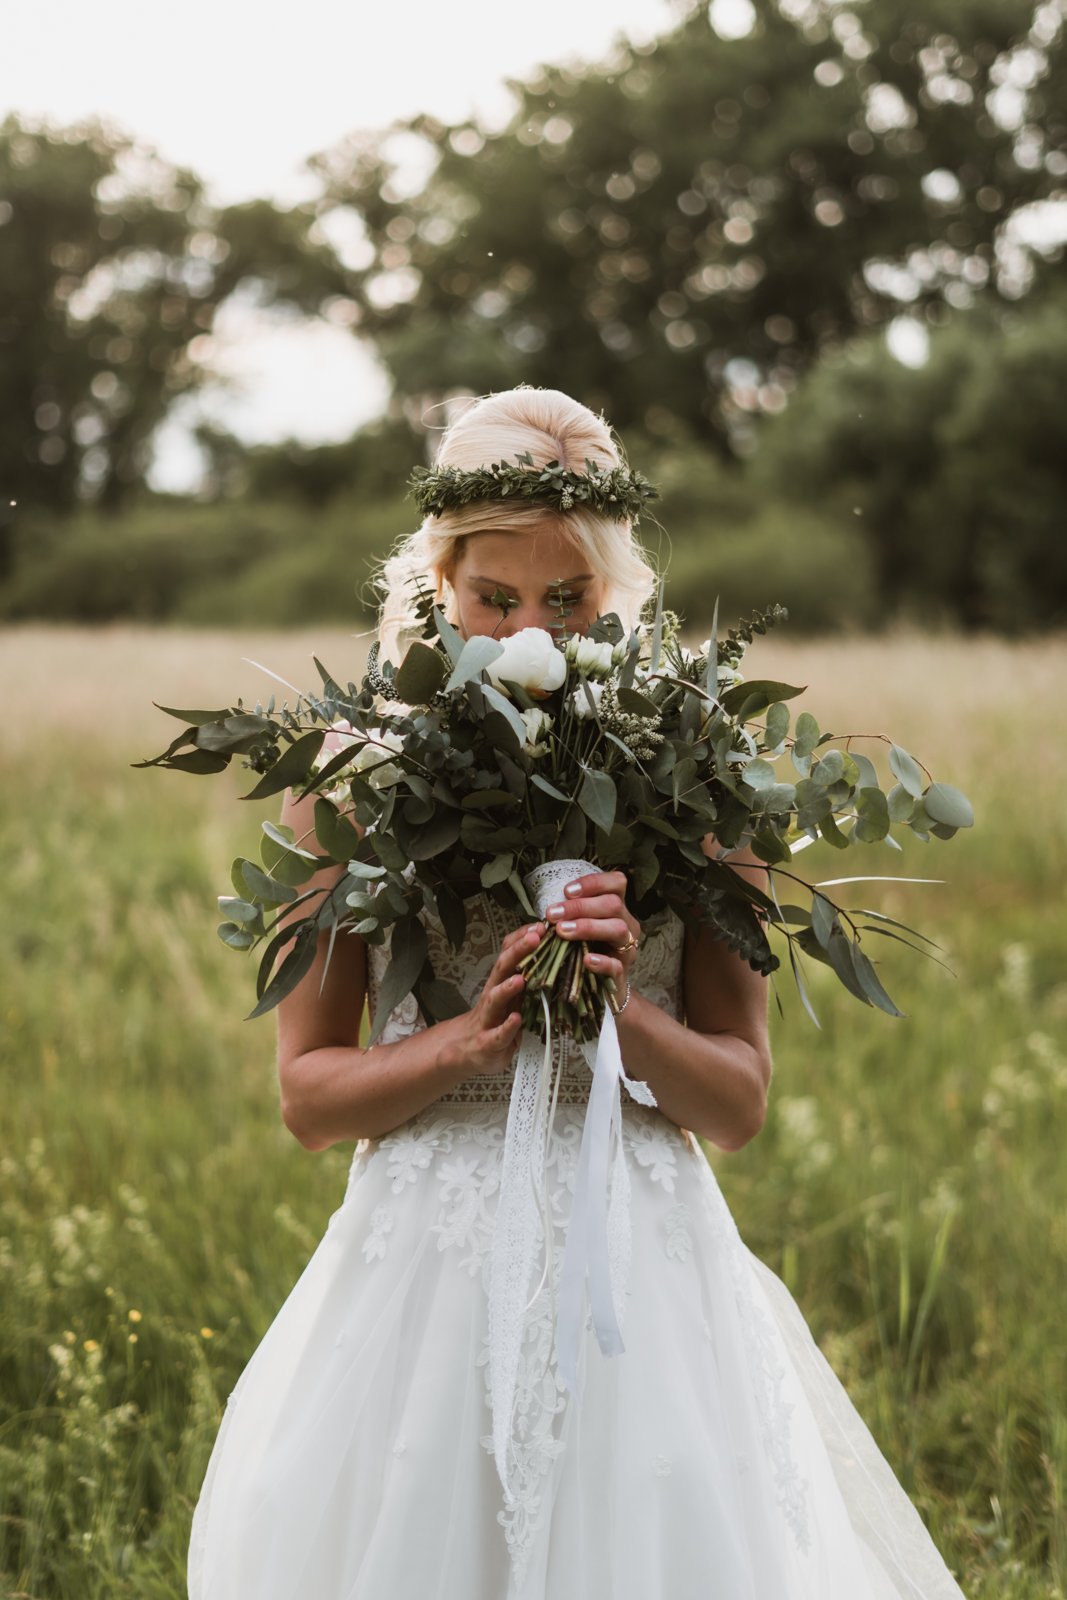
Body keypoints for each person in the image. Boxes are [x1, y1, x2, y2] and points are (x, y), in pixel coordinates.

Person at [188, 386, 967, 1598]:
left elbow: (737, 1102)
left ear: (615, 594)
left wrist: (621, 1009)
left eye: (568, 600)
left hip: (641, 1271)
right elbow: (307, 1096)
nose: (526, 634)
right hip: (419, 1291)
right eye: (493, 598)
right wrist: (461, 1044)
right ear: (438, 580)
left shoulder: (700, 772)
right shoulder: (352, 778)